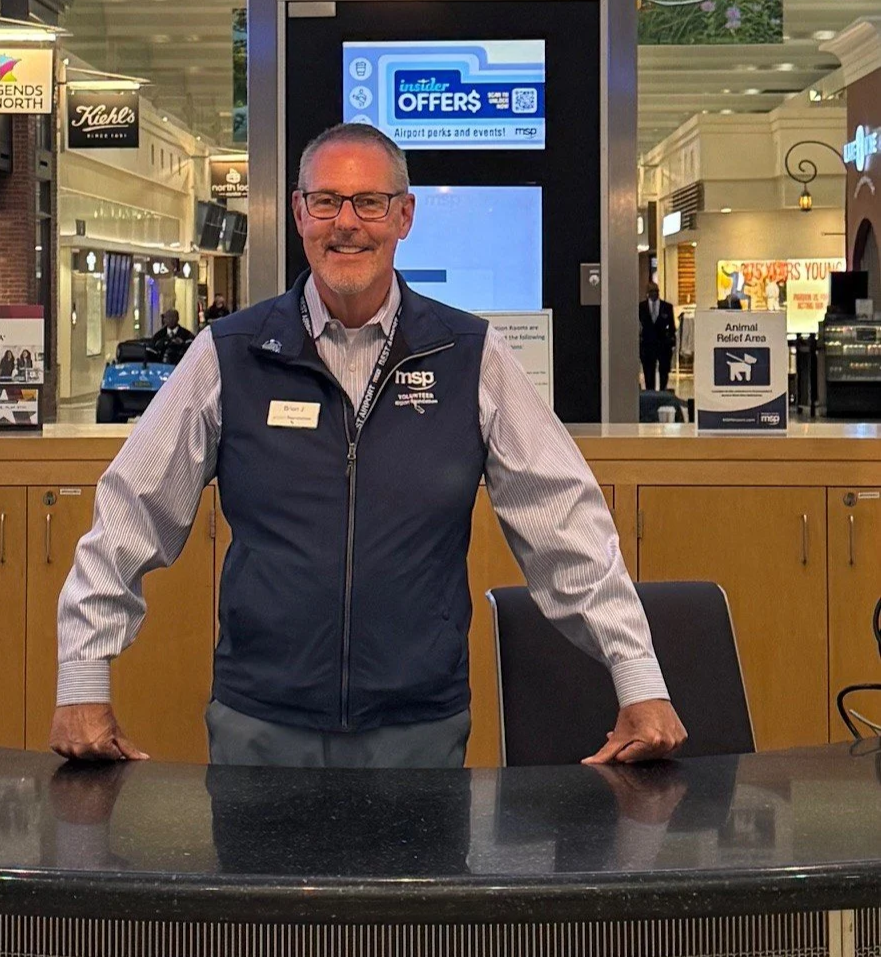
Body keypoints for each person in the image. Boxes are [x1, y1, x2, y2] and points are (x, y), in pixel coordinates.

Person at [51, 123, 686, 769]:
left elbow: (565, 524)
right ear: (299, 213)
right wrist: (82, 675)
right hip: (260, 725)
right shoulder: (230, 355)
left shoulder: (468, 357)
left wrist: (638, 677)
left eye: (369, 203)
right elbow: (131, 511)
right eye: (325, 201)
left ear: (404, 216)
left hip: (417, 729)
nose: (346, 223)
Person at [638, 283, 676, 392]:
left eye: (656, 291)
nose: (654, 294)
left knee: (664, 370)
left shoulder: (667, 307)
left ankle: (663, 391)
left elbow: (672, 326)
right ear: (647, 294)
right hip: (647, 344)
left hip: (663, 344)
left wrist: (671, 341)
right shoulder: (641, 307)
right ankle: (650, 393)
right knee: (648, 371)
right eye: (651, 292)